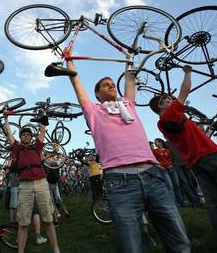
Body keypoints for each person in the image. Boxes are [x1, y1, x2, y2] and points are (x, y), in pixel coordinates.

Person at [64, 46, 190, 253]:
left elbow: (130, 78)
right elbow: (76, 83)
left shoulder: (127, 105)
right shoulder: (94, 111)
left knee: (179, 239)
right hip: (120, 181)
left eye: (113, 84)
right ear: (97, 93)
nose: (111, 86)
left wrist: (128, 58)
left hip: (154, 175)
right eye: (106, 85)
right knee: (130, 245)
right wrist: (70, 61)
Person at [149, 65, 217, 253]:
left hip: (197, 163)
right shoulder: (169, 115)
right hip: (211, 157)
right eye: (165, 100)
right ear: (160, 107)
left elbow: (198, 133)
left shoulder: (167, 122)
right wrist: (188, 72)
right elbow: (185, 90)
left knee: (214, 207)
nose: (170, 100)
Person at [4, 116, 60, 253]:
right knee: (23, 222)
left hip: (41, 183)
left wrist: (42, 117)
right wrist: (6, 118)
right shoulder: (17, 149)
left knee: (47, 219)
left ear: (31, 137)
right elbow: (9, 133)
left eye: (28, 135)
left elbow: (42, 131)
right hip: (25, 185)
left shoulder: (37, 147)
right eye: (23, 135)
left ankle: (56, 249)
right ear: (21, 137)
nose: (26, 137)